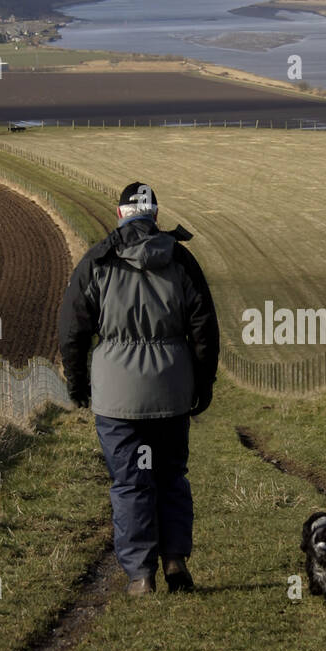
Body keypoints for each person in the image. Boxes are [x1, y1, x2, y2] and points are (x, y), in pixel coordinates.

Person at [58, 182, 219, 596]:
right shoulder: (180, 259)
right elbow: (204, 327)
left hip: (116, 399)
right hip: (171, 395)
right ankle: (175, 561)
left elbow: (72, 329)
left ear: (120, 215)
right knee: (170, 476)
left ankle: (140, 576)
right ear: (156, 217)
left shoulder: (97, 261)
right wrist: (202, 384)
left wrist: (78, 385)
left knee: (130, 482)